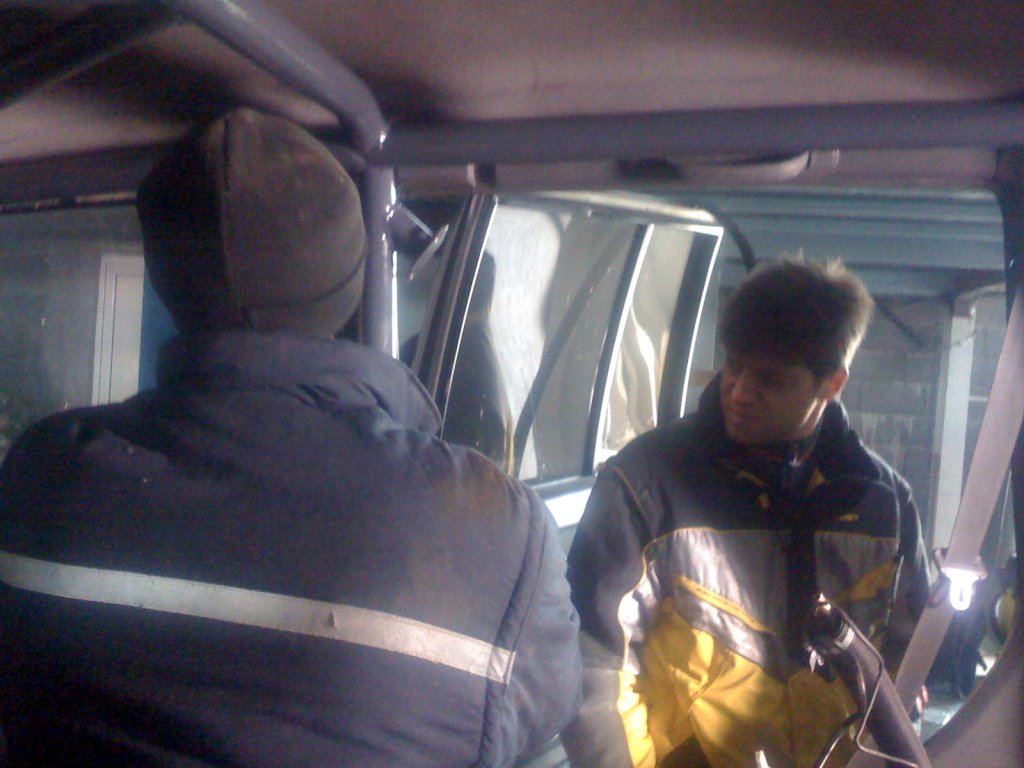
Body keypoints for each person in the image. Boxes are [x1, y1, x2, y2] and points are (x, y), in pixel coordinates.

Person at [0, 108, 581, 768]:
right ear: (352, 277)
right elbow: (543, 717)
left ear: (165, 278)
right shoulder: (498, 534)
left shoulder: (41, 476)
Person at [560, 259, 930, 768]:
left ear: (832, 383)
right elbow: (593, 667)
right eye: (734, 366)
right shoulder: (646, 485)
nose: (738, 391)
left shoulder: (885, 506)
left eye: (768, 380)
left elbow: (908, 662)